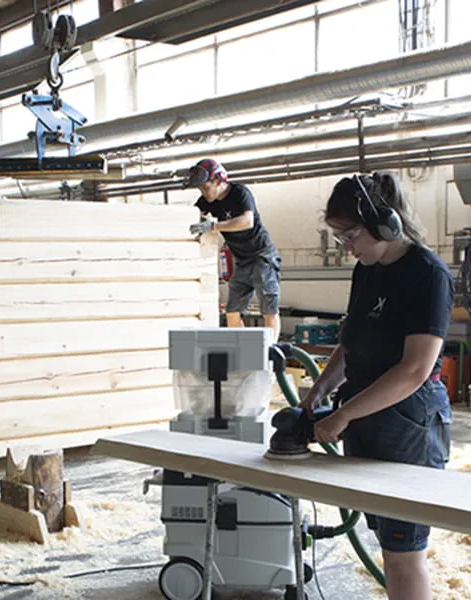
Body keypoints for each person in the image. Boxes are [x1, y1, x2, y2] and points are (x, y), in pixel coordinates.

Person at [299, 172, 453, 600]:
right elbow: (352, 340)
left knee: (404, 552)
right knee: (387, 541)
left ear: (385, 224)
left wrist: (345, 414)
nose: (344, 245)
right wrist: (321, 389)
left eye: (349, 234)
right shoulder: (366, 270)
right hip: (367, 414)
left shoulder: (427, 275)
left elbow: (413, 370)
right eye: (338, 235)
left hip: (408, 422)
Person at [186, 158, 282, 341]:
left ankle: (270, 352)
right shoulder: (207, 201)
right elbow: (191, 217)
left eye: (206, 187)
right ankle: (244, 349)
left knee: (269, 308)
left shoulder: (240, 193)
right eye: (200, 189)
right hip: (242, 260)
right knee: (232, 311)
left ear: (219, 181)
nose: (204, 192)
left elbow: (247, 221)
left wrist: (213, 226)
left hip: (262, 255)